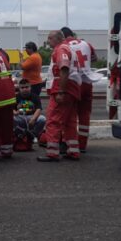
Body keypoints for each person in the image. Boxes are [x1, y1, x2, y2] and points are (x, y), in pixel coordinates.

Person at [38, 30, 81, 162]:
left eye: (49, 38)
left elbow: (64, 68)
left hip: (63, 89)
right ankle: (73, 151)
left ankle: (52, 153)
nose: (48, 41)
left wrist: (61, 91)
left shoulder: (61, 49)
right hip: (72, 89)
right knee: (70, 121)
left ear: (57, 39)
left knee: (53, 120)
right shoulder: (68, 49)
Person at [61, 27, 100, 152]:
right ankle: (82, 144)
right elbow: (95, 59)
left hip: (73, 83)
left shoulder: (63, 46)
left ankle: (67, 143)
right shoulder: (86, 44)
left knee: (68, 114)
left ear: (63, 36)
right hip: (87, 81)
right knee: (84, 115)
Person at [13, 78, 46, 151]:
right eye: (22, 87)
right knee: (10, 118)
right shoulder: (16, 97)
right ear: (19, 88)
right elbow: (11, 109)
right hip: (20, 118)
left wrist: (33, 119)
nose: (25, 89)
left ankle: (32, 135)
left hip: (31, 118)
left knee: (42, 119)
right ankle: (19, 135)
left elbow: (38, 109)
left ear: (30, 87)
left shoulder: (35, 96)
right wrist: (15, 112)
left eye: (27, 87)